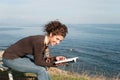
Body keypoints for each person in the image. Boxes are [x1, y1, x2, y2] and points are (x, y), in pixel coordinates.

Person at [2, 20, 68, 80]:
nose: (58, 42)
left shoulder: (43, 42)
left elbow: (40, 60)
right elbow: (38, 62)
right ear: (51, 34)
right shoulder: (39, 42)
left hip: (19, 57)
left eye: (60, 41)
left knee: (42, 69)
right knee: (40, 70)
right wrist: (54, 64)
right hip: (9, 59)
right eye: (57, 39)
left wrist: (56, 59)